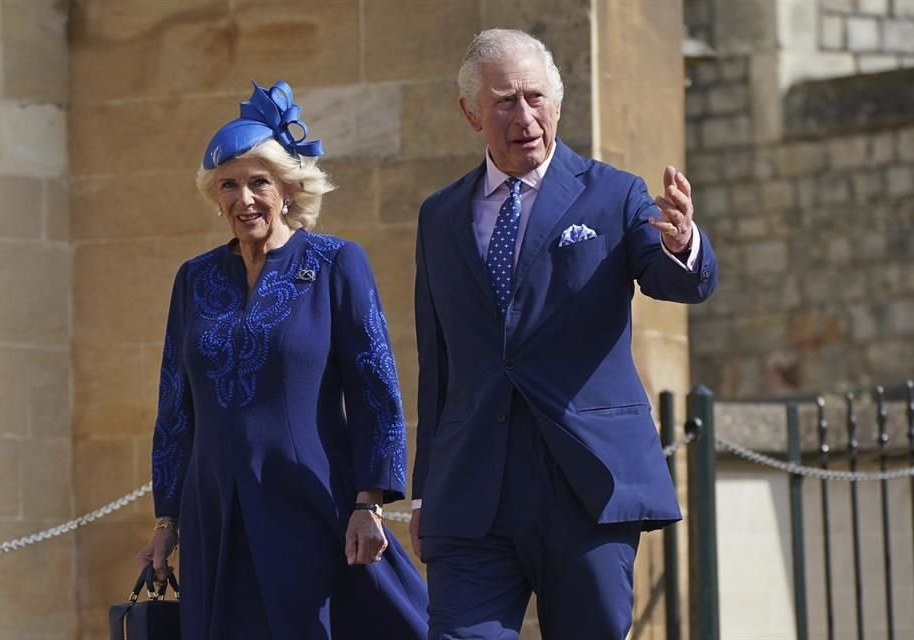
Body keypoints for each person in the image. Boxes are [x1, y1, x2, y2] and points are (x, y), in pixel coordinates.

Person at [410, 29, 718, 639]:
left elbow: (673, 280)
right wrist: (425, 491)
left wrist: (683, 244)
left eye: (535, 97)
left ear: (557, 101)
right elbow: (437, 358)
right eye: (504, 101)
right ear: (471, 112)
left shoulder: (615, 194)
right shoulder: (440, 215)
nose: (523, 116)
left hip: (585, 483)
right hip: (474, 492)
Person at [136, 80, 428, 639]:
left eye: (258, 183)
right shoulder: (193, 279)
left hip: (310, 500)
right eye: (229, 185)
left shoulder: (335, 262)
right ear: (214, 196)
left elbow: (375, 388)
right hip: (214, 510)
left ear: (287, 189)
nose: (244, 199)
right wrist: (167, 518)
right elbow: (174, 407)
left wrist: (370, 501)